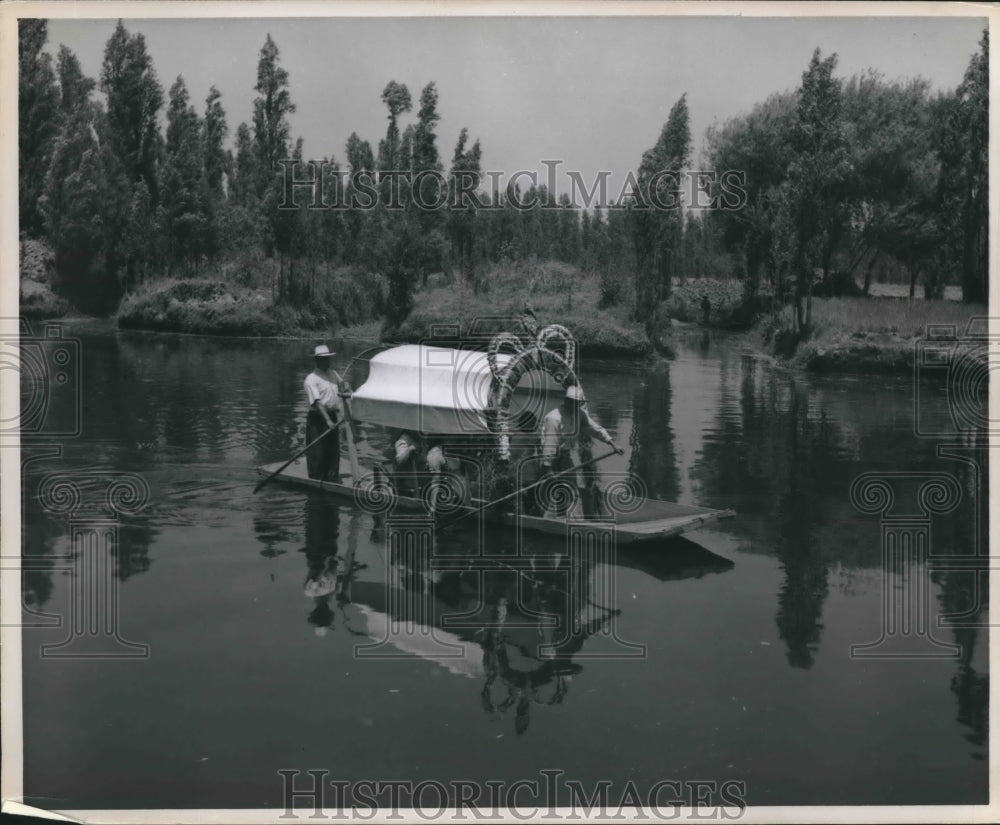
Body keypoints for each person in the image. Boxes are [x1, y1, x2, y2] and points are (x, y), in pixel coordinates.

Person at [539, 385, 623, 517]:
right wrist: (548, 469)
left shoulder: (580, 414)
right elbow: (549, 445)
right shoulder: (553, 418)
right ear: (567, 401)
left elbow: (594, 428)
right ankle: (541, 518)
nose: (576, 406)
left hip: (565, 457)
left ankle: (562, 516)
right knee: (550, 490)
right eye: (574, 403)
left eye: (578, 403)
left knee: (570, 488)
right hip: (550, 459)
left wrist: (612, 443)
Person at [304, 344, 344, 481]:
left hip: (332, 415)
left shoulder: (333, 373)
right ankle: (316, 478)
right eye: (324, 359)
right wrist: (327, 420)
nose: (327, 361)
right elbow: (317, 402)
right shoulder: (311, 379)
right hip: (318, 418)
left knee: (333, 449)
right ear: (317, 360)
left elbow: (343, 384)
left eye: (328, 358)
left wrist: (347, 386)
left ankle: (332, 477)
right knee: (318, 451)